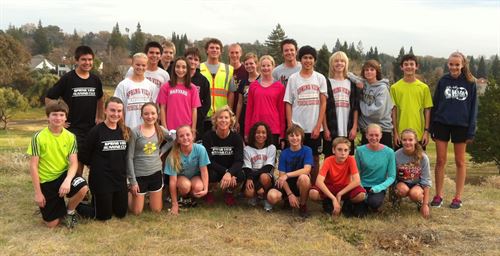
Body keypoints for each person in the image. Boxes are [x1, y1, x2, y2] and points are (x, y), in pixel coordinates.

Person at [28, 100, 89, 228]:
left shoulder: (70, 137)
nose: (58, 118)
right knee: (52, 224)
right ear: (48, 117)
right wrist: (38, 193)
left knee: (83, 187)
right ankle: (53, 206)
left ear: (66, 117)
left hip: (63, 175)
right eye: (54, 114)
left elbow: (73, 163)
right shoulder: (38, 137)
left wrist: (67, 180)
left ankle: (70, 212)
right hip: (47, 180)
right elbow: (33, 166)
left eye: (61, 115)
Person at [45, 45, 104, 175]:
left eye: (90, 60)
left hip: (91, 128)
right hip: (73, 129)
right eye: (83, 59)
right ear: (76, 61)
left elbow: (100, 99)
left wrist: (100, 117)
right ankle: (78, 192)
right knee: (77, 164)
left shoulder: (95, 80)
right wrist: (57, 121)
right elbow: (49, 98)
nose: (87, 63)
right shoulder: (68, 78)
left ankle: (93, 193)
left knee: (95, 162)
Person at [430, 51, 478, 209]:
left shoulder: (470, 82)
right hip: (442, 123)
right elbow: (435, 103)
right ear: (447, 64)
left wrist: (471, 130)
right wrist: (431, 126)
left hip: (461, 126)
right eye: (451, 64)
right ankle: (438, 195)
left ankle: (458, 197)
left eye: (457, 64)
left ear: (463, 65)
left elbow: (473, 109)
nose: (454, 67)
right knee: (441, 160)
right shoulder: (443, 80)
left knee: (460, 161)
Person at [79, 97, 129, 221]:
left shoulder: (124, 131)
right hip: (101, 180)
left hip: (119, 179)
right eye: (112, 110)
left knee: (121, 213)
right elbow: (84, 155)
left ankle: (107, 202)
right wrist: (96, 166)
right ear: (105, 111)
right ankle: (75, 206)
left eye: (119, 111)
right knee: (103, 216)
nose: (116, 114)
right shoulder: (96, 131)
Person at [284, 45, 327, 184]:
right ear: (300, 59)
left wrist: (318, 125)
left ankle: (314, 186)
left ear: (314, 60)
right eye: (304, 58)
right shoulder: (293, 78)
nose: (307, 60)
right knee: (295, 157)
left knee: (314, 158)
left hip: (314, 127)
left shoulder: (320, 78)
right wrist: (290, 125)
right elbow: (288, 102)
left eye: (310, 58)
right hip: (298, 127)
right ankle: (296, 186)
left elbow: (323, 103)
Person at [127, 103, 174, 215]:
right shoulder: (135, 132)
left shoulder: (160, 130)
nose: (150, 116)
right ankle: (129, 193)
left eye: (153, 113)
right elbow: (129, 157)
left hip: (155, 173)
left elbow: (174, 139)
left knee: (156, 210)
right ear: (141, 115)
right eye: (146, 114)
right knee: (137, 212)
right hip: (139, 175)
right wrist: (133, 181)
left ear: (157, 115)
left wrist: (162, 150)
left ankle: (147, 195)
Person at [309, 137, 366, 218]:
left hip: (344, 187)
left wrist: (340, 194)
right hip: (330, 186)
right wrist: (333, 198)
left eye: (346, 150)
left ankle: (346, 204)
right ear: (333, 150)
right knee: (313, 193)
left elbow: (357, 181)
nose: (343, 153)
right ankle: (328, 201)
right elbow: (319, 181)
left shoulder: (351, 160)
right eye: (339, 149)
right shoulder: (328, 160)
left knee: (361, 195)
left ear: (349, 151)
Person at [202, 105, 244, 206]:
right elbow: (208, 160)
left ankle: (229, 192)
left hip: (230, 170)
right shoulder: (208, 136)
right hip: (215, 169)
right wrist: (226, 172)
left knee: (240, 175)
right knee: (210, 174)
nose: (223, 120)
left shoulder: (237, 138)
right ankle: (210, 192)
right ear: (215, 120)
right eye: (220, 117)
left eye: (226, 117)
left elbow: (239, 161)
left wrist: (230, 173)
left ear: (231, 121)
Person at [267, 124, 312, 218]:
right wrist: (289, 194)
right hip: (286, 184)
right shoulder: (284, 153)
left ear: (302, 137)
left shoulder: (307, 150)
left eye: (297, 135)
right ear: (287, 138)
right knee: (271, 196)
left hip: (299, 182)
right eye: (291, 136)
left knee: (304, 178)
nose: (294, 138)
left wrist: (287, 175)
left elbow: (307, 169)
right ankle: (287, 199)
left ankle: (302, 205)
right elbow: (281, 177)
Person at [165, 125, 210, 215]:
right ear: (177, 140)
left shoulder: (200, 149)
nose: (185, 138)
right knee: (185, 186)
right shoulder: (173, 155)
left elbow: (204, 171)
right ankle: (179, 198)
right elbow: (173, 181)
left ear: (193, 136)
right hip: (181, 178)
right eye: (181, 136)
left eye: (188, 135)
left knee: (198, 188)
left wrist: (206, 189)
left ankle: (190, 198)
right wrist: (174, 204)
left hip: (194, 176)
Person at [390, 54, 433, 149]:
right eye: (406, 64)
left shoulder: (424, 88)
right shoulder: (394, 88)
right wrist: (395, 133)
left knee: (418, 162)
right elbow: (393, 111)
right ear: (401, 67)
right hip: (401, 134)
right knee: (400, 163)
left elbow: (427, 110)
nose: (409, 66)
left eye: (411, 64)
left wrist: (426, 131)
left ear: (416, 66)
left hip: (419, 133)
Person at [323, 51, 360, 157]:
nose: (339, 63)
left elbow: (355, 107)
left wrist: (354, 127)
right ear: (332, 64)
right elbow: (323, 108)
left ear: (346, 64)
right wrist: (325, 128)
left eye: (342, 61)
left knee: (347, 157)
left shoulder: (351, 83)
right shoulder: (326, 82)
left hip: (347, 127)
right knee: (330, 156)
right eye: (336, 61)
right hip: (332, 126)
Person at [350, 60, 394, 148]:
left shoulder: (382, 88)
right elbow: (349, 75)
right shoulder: (364, 84)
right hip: (367, 130)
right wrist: (357, 81)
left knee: (383, 160)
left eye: (372, 69)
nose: (369, 72)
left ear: (377, 72)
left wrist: (360, 103)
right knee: (367, 160)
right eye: (366, 70)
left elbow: (377, 112)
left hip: (382, 130)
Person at [245, 55, 286, 146]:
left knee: (271, 159)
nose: (266, 68)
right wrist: (247, 132)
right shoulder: (253, 86)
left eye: (268, 66)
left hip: (273, 128)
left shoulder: (280, 86)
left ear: (273, 67)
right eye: (263, 66)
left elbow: (282, 111)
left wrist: (282, 134)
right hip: (256, 128)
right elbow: (249, 110)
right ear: (260, 67)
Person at [355, 124, 396, 213]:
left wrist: (379, 187)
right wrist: (360, 186)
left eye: (377, 135)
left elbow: (392, 176)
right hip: (362, 185)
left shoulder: (389, 152)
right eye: (371, 135)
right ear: (366, 135)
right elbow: (356, 172)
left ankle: (370, 202)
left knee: (374, 202)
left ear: (381, 135)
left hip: (378, 187)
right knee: (358, 212)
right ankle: (363, 202)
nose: (374, 138)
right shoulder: (359, 151)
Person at [199, 38, 237, 132]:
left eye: (217, 48)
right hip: (203, 115)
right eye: (211, 47)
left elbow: (231, 93)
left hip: (222, 117)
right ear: (206, 50)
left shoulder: (228, 69)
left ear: (221, 51)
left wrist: (229, 111)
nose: (214, 50)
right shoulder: (198, 68)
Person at [114, 53, 159, 129]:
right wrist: (123, 128)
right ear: (132, 65)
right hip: (129, 128)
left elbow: (155, 111)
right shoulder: (123, 85)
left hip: (146, 130)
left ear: (147, 66)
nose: (140, 67)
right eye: (137, 65)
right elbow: (118, 109)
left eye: (143, 65)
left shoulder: (152, 86)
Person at [394, 129, 431, 218]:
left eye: (410, 140)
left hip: (418, 184)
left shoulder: (423, 157)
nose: (407, 142)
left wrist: (425, 204)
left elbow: (426, 181)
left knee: (414, 194)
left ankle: (420, 202)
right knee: (402, 190)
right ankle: (396, 201)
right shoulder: (395, 155)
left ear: (415, 141)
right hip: (402, 182)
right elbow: (392, 176)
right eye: (404, 140)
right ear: (401, 140)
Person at [157, 57, 201, 131]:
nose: (180, 70)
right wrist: (164, 128)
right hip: (170, 129)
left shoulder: (192, 88)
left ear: (187, 70)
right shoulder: (166, 86)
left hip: (187, 128)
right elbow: (162, 108)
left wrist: (193, 129)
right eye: (177, 67)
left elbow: (194, 110)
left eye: (184, 67)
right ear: (174, 68)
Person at [243, 122, 276, 211]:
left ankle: (266, 198)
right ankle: (256, 196)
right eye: (258, 132)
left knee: (264, 176)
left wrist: (254, 180)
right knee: (249, 192)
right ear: (253, 134)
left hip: (265, 177)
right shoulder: (247, 149)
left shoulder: (271, 148)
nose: (261, 135)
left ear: (267, 134)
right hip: (252, 177)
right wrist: (256, 185)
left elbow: (268, 167)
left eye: (263, 132)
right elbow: (247, 168)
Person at [184, 47, 211, 139]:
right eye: (190, 58)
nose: (193, 62)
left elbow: (207, 102)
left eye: (196, 60)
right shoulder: (178, 78)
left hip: (197, 122)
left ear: (199, 62)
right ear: (185, 59)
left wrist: (199, 117)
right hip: (180, 119)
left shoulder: (203, 80)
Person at [235, 53, 259, 137]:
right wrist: (237, 120)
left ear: (256, 64)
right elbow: (240, 102)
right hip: (244, 115)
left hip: (257, 115)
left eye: (251, 63)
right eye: (246, 64)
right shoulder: (243, 81)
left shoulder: (261, 80)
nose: (249, 66)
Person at [228, 43, 249, 115]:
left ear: (241, 53)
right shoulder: (224, 70)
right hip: (226, 110)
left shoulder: (246, 70)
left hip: (242, 110)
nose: (234, 55)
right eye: (232, 52)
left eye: (237, 52)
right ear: (228, 54)